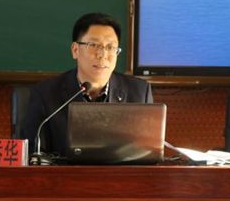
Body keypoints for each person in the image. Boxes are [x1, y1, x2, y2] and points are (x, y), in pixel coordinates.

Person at [22, 12, 153, 158]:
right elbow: (32, 155)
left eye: (110, 47)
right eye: (94, 45)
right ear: (75, 50)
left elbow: (147, 155)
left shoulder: (139, 93)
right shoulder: (45, 94)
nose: (102, 54)